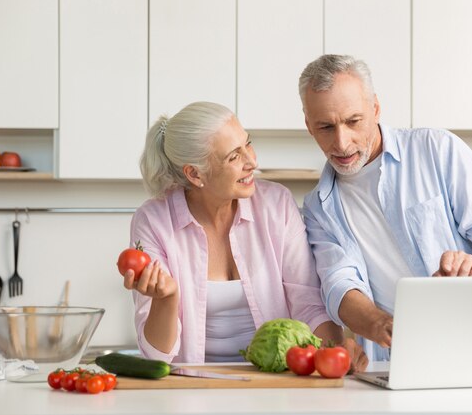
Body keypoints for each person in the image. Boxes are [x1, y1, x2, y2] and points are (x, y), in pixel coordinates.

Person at [298, 55, 472, 361]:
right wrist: (382, 325)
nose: (341, 142)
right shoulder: (317, 208)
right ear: (309, 125)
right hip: (396, 359)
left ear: (375, 108)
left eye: (354, 121)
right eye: (326, 126)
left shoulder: (437, 150)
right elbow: (339, 286)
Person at [122, 101, 367, 369]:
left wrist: (335, 352)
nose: (252, 162)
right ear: (194, 173)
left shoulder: (276, 205)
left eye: (247, 144)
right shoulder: (154, 220)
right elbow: (157, 356)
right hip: (189, 386)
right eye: (233, 156)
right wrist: (165, 299)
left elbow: (307, 303)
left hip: (272, 379)